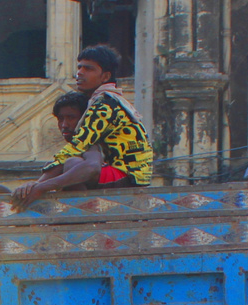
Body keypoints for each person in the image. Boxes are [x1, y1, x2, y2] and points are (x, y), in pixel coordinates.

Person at [13, 45, 154, 207]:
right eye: (79, 67)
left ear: (105, 76)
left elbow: (77, 146)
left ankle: (83, 214)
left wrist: (39, 186)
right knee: (68, 166)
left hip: (128, 176)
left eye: (88, 69)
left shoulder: (105, 105)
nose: (80, 73)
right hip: (128, 175)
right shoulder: (106, 100)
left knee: (72, 163)